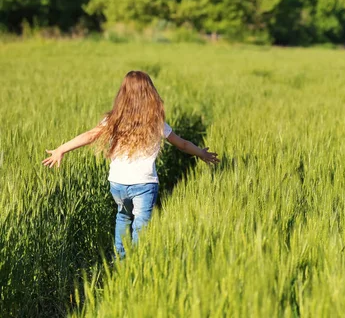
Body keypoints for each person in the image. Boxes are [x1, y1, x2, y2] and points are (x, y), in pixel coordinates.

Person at [43, 71, 219, 258]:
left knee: (123, 216)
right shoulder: (156, 122)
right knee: (141, 225)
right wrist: (201, 153)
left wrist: (61, 149)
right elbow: (182, 144)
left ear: (123, 94)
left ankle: (121, 259)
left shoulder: (113, 120)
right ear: (150, 94)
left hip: (117, 184)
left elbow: (89, 136)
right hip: (144, 184)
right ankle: (137, 261)